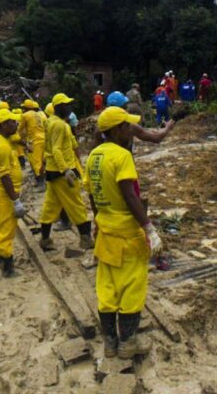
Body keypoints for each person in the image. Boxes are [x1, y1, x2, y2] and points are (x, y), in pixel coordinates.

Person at [85, 107, 164, 359]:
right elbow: (130, 195)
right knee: (132, 287)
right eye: (128, 126)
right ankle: (128, 342)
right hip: (127, 233)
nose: (131, 130)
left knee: (107, 288)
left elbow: (92, 194)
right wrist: (149, 228)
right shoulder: (122, 156)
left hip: (106, 232)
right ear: (118, 129)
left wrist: (98, 220)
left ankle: (110, 342)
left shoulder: (94, 156)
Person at [39, 93, 93, 250]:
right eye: (66, 105)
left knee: (51, 205)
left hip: (52, 170)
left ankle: (45, 239)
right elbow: (56, 149)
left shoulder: (50, 122)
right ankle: (85, 239)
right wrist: (66, 170)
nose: (69, 108)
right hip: (62, 172)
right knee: (76, 204)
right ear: (59, 107)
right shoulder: (59, 125)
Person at [0, 108, 26, 277]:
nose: (16, 124)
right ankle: (7, 266)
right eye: (12, 122)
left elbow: (16, 138)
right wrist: (15, 201)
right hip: (4, 192)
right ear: (3, 125)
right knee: (7, 229)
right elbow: (5, 176)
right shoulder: (1, 146)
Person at [104, 91, 175, 145]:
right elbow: (156, 138)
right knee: (141, 113)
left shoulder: (100, 127)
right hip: (124, 159)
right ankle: (144, 123)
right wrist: (167, 128)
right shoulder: (128, 126)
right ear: (123, 107)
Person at [18, 99, 46, 184]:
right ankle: (46, 179)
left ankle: (40, 182)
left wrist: (17, 137)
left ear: (25, 108)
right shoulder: (38, 114)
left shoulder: (25, 115)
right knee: (43, 160)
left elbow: (20, 128)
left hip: (35, 140)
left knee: (36, 162)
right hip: (43, 138)